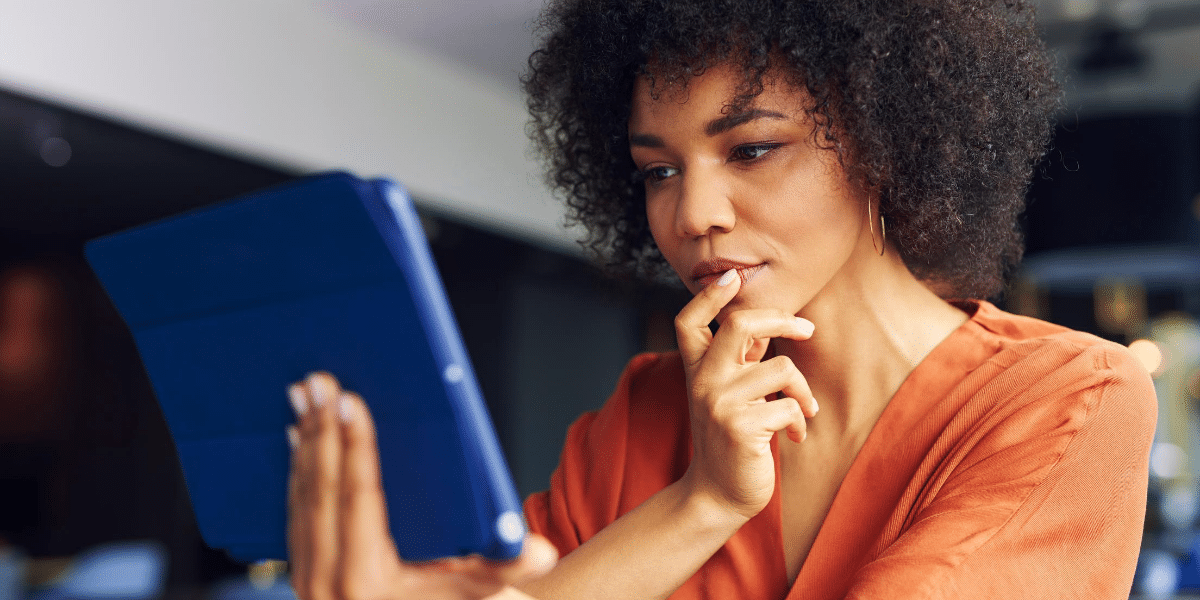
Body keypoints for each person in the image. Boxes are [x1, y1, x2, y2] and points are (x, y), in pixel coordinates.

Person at [284, 0, 1158, 598]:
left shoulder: (1070, 399)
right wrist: (700, 502)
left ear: (887, 139)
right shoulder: (638, 421)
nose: (692, 214)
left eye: (750, 150)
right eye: (658, 170)